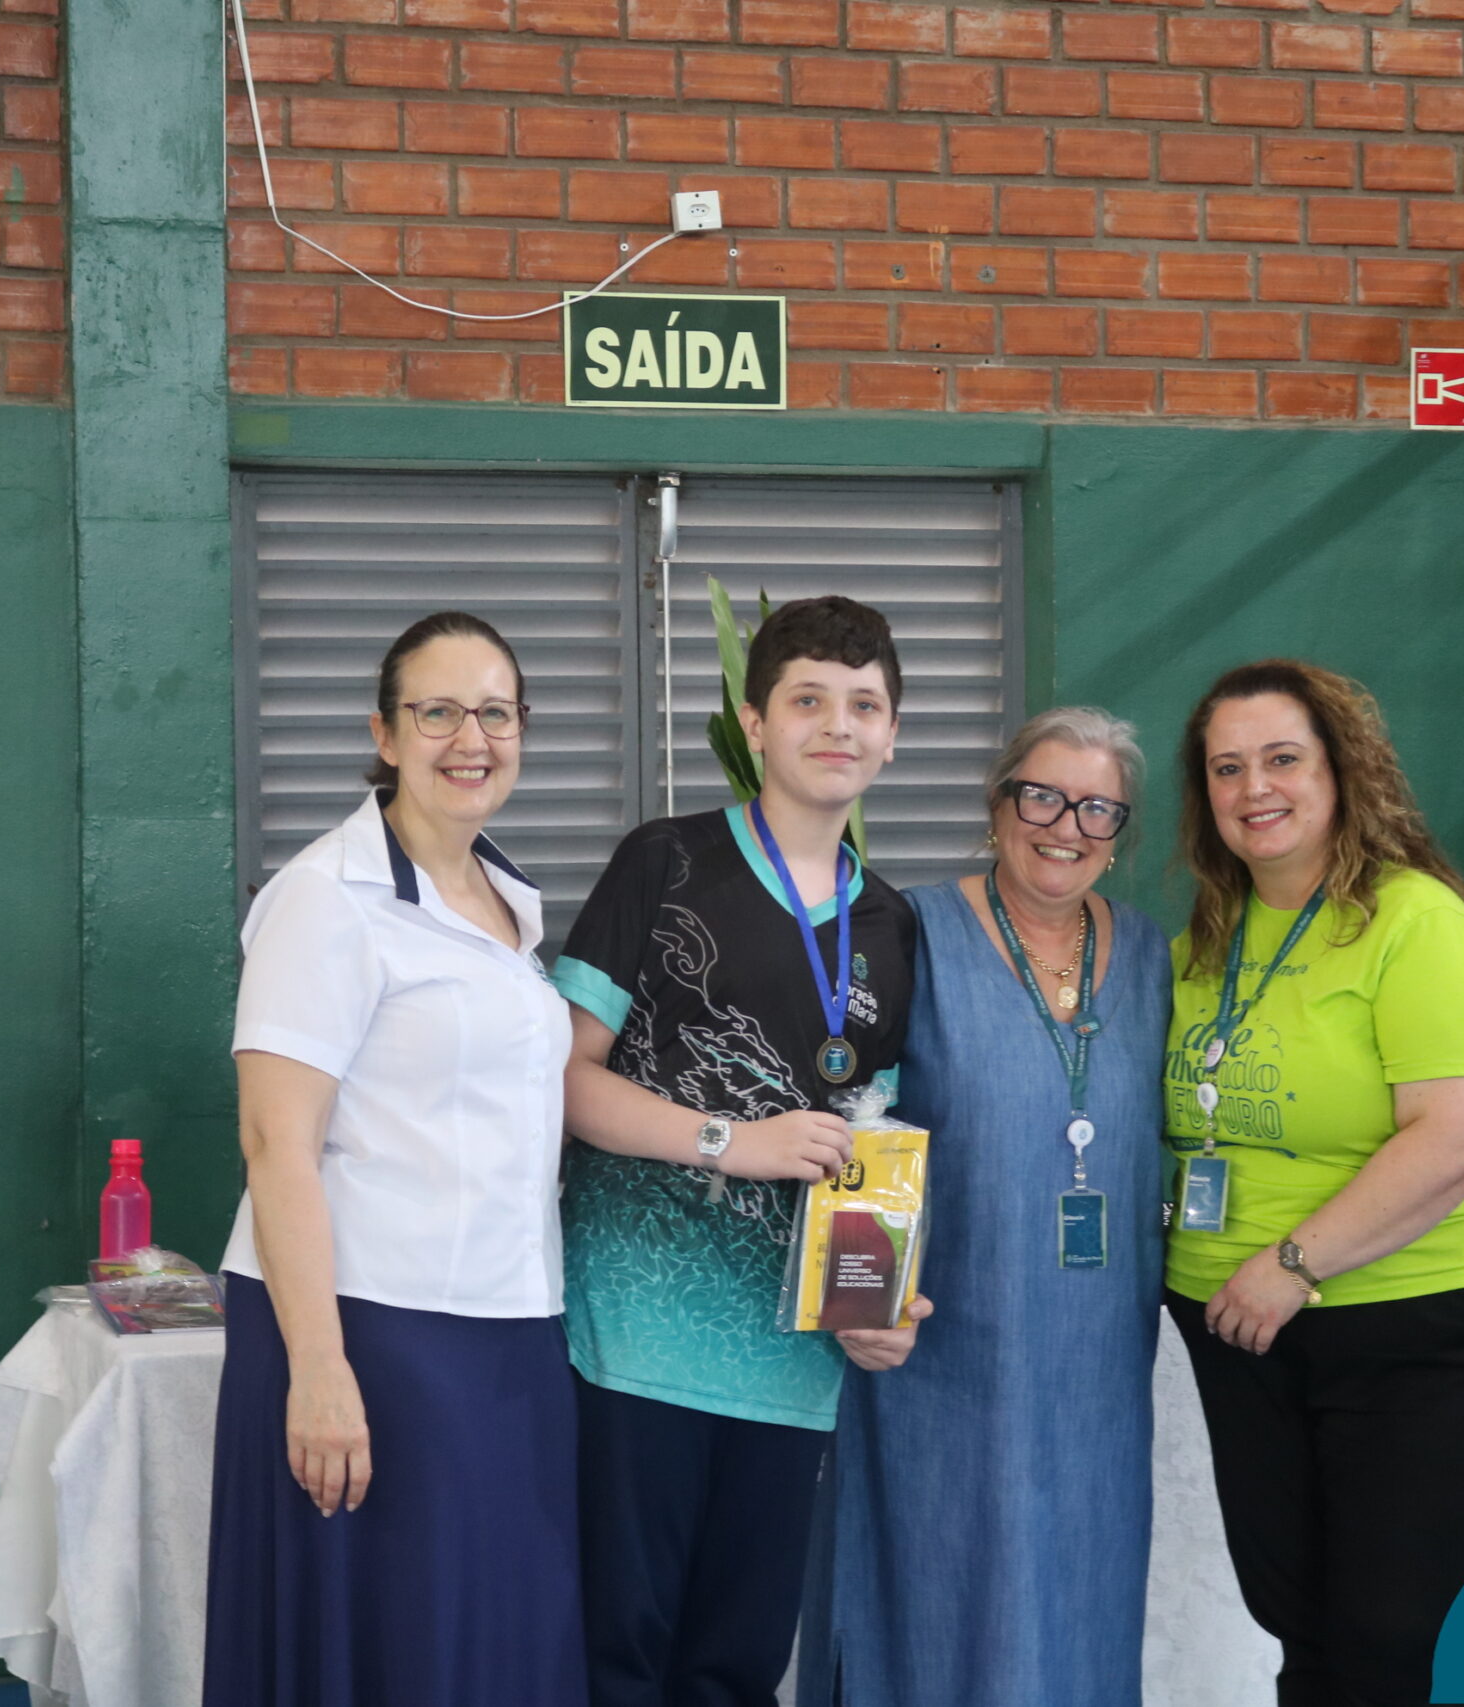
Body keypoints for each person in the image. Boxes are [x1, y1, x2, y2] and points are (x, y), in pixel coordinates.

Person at [552, 595, 931, 1707]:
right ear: (754, 722)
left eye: (864, 705)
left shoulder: (891, 924)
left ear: (893, 736)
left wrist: (872, 1310)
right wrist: (732, 1141)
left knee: (736, 1669)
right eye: (808, 700)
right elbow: (564, 1079)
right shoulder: (665, 861)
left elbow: (868, 1136)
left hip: (789, 1365)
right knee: (615, 1657)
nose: (838, 724)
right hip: (634, 1338)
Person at [203, 612, 582, 1707]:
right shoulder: (327, 897)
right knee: (394, 1648)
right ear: (384, 733)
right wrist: (319, 1369)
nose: (472, 739)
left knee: (497, 1640)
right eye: (438, 712)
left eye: (496, 713)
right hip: (369, 1331)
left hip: (512, 1328)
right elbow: (275, 1141)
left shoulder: (506, 899)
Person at [1162, 659, 1464, 1707]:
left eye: (1282, 759)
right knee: (1298, 1620)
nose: (1254, 787)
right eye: (1226, 768)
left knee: (1394, 1635)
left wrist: (1292, 1264)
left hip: (1415, 1319)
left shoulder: (1415, 920)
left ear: (1342, 771)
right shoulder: (1208, 938)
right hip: (1244, 1334)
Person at [803, 707, 1172, 1707]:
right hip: (938, 1356)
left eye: (1096, 808)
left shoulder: (1149, 954)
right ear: (998, 803)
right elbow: (856, 1113)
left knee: (1081, 1600)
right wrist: (858, 1306)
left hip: (1096, 1367)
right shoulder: (908, 929)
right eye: (1041, 797)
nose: (1066, 827)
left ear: (1119, 830)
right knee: (935, 1598)